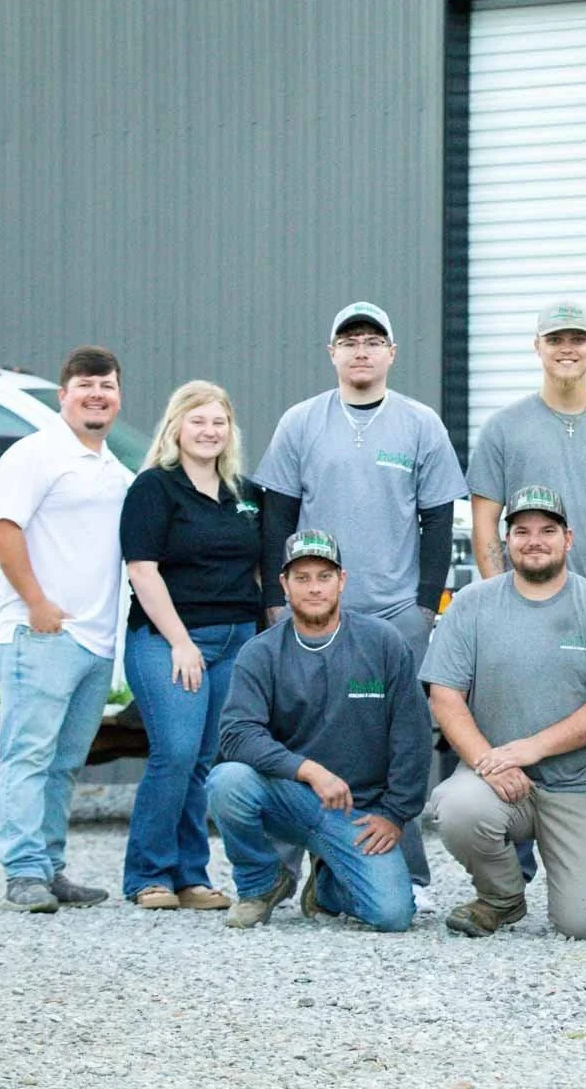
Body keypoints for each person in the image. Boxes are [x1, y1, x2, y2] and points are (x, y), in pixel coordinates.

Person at [253, 301, 467, 907]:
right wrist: (275, 602)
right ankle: (278, 874)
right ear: (333, 354)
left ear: (391, 353)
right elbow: (277, 517)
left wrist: (425, 606)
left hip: (395, 609)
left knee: (400, 737)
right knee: (296, 729)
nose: (361, 351)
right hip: (313, 609)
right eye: (349, 342)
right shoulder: (301, 422)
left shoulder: (420, 424)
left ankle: (409, 874)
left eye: (373, 341)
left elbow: (437, 520)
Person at [466, 301, 586, 920]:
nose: (567, 348)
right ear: (538, 347)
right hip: (520, 613)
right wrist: (501, 601)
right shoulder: (504, 429)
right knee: (513, 743)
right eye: (555, 338)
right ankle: (511, 882)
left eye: (577, 338)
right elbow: (484, 523)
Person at [424, 486, 586, 940]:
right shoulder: (472, 603)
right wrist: (487, 761)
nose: (534, 541)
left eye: (547, 530)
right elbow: (444, 695)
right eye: (522, 531)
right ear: (507, 540)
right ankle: (501, 898)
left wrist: (531, 748)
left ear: (568, 539)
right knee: (457, 807)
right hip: (498, 779)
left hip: (581, 783)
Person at [207, 530, 432, 931]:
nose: (314, 588)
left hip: (359, 810)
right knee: (228, 782)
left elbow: (412, 736)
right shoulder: (260, 652)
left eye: (324, 577)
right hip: (290, 797)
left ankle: (326, 887)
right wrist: (308, 770)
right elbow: (237, 733)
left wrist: (395, 814)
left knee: (393, 915)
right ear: (284, 584)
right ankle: (261, 883)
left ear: (342, 580)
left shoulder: (382, 642)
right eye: (302, 577)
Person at [0, 345, 134, 913]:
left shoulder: (113, 468)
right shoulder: (35, 454)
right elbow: (3, 528)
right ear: (63, 394)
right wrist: (36, 603)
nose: (97, 395)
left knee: (64, 763)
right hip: (42, 635)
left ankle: (49, 867)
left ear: (118, 396)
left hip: (95, 642)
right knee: (28, 755)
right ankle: (23, 872)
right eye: (86, 385)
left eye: (107, 386)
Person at [118, 381, 263, 911]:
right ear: (176, 426)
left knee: (202, 759)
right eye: (198, 421)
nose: (209, 431)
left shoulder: (245, 493)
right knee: (175, 753)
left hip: (236, 640)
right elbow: (142, 570)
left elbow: (259, 566)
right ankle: (147, 875)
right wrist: (180, 641)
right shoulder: (154, 488)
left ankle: (190, 877)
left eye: (218, 422)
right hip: (169, 639)